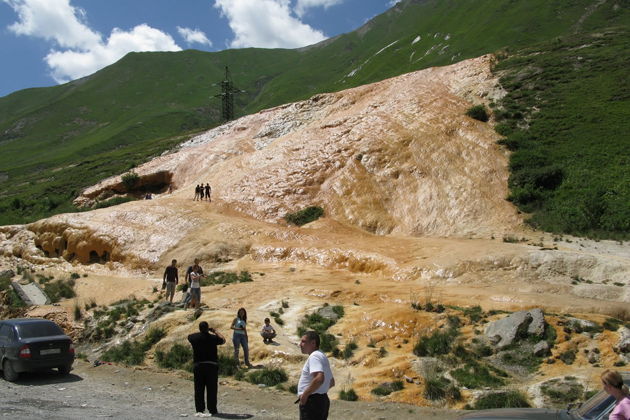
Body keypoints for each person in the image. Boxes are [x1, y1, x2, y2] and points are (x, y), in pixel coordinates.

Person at [188, 321, 226, 416]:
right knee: (212, 389)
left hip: (199, 365)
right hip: (211, 365)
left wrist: (201, 332)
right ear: (207, 328)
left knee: (199, 388)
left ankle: (200, 409)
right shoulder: (213, 338)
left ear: (200, 328)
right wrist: (215, 331)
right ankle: (212, 409)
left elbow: (189, 336)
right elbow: (223, 340)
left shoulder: (194, 338)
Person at [297, 331, 335, 420]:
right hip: (321, 400)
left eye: (303, 341)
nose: (300, 344)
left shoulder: (314, 356)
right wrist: (320, 392)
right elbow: (331, 382)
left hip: (312, 402)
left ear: (313, 343)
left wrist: (305, 395)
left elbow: (319, 378)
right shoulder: (321, 355)